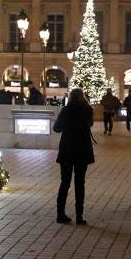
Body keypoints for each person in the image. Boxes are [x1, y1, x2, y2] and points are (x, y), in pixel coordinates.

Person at [53, 88, 95, 225]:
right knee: (80, 183)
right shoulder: (88, 110)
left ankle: (60, 214)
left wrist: (67, 125)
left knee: (65, 182)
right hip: (82, 149)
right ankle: (79, 216)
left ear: (70, 97)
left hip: (67, 149)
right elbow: (90, 124)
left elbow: (56, 128)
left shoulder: (66, 110)